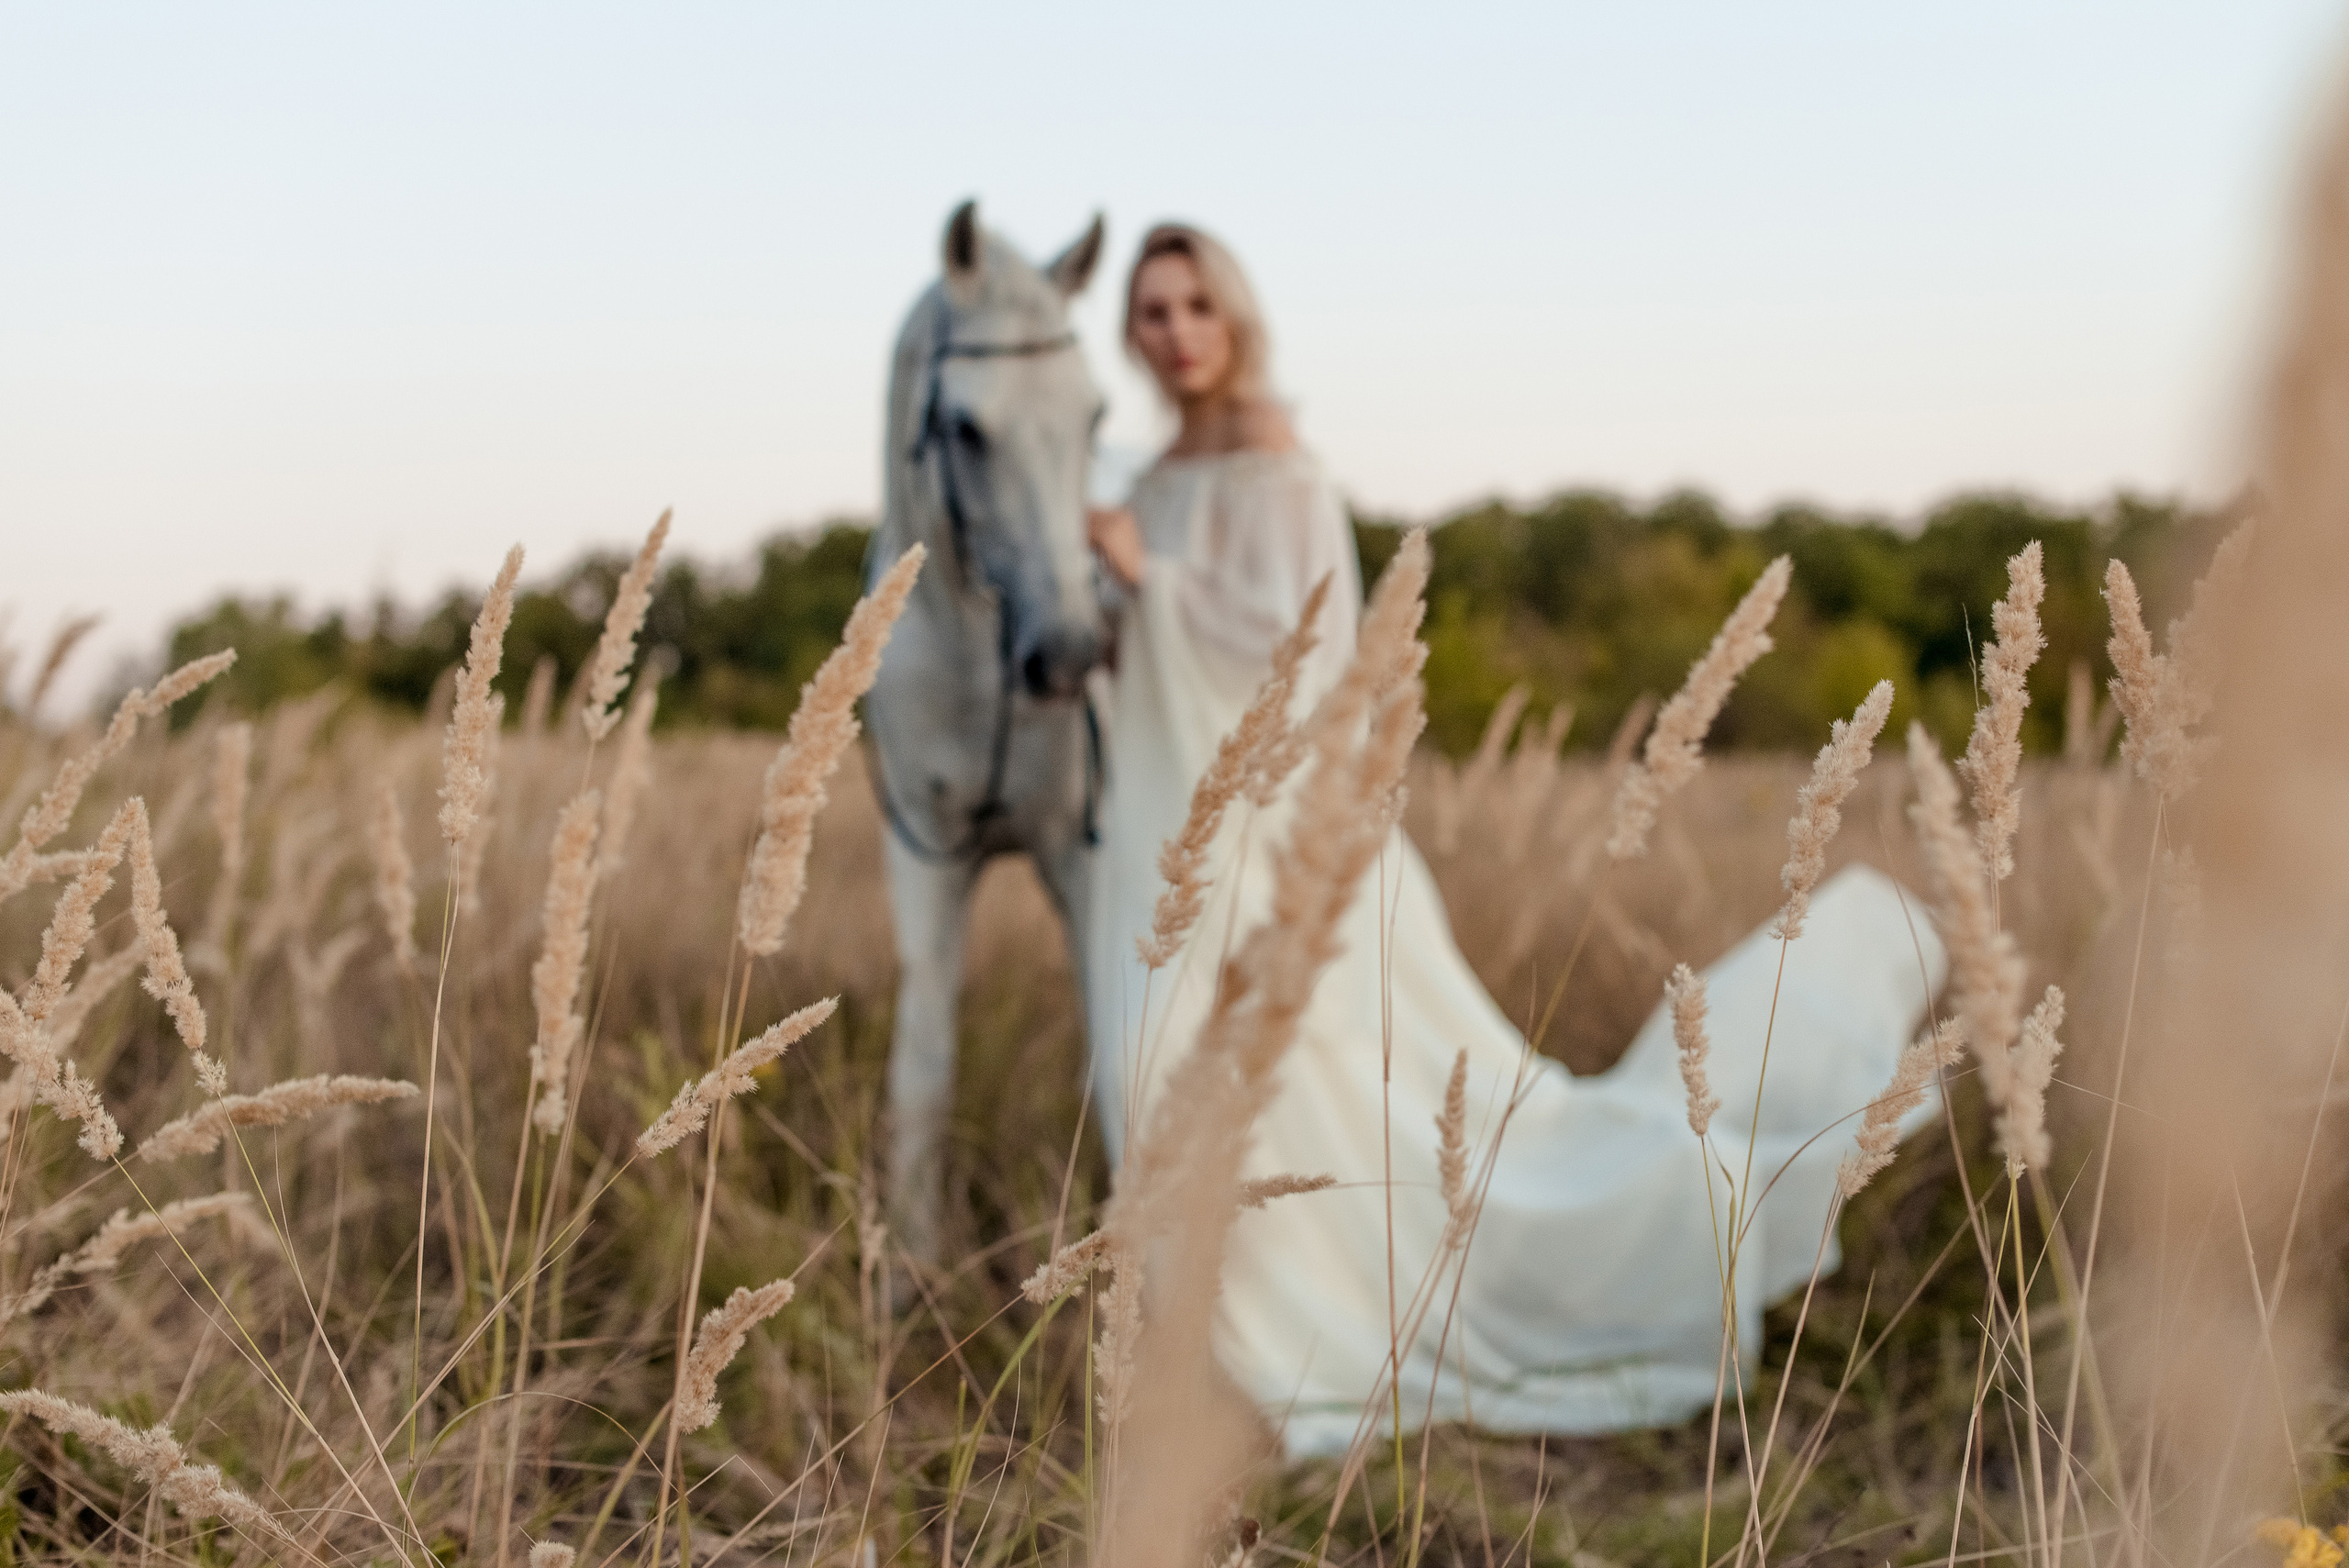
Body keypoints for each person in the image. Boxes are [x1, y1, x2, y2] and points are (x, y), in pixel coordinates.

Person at [1084, 223, 1947, 1459]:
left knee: (1307, 1084)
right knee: (1153, 1062)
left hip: (1277, 824)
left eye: (1194, 308)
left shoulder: (1275, 457)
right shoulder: (1151, 472)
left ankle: (1296, 1343)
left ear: (1233, 318)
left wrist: (1147, 579)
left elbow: (1305, 650)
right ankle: (1206, 1349)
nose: (1175, 334)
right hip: (1164, 827)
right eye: (1153, 312)